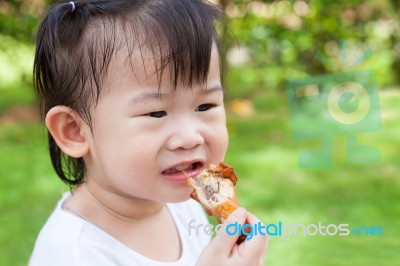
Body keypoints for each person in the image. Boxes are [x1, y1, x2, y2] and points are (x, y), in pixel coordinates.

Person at [29, 0, 268, 265]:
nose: (190, 137)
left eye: (205, 105)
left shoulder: (184, 206)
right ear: (75, 131)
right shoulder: (73, 254)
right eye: (156, 113)